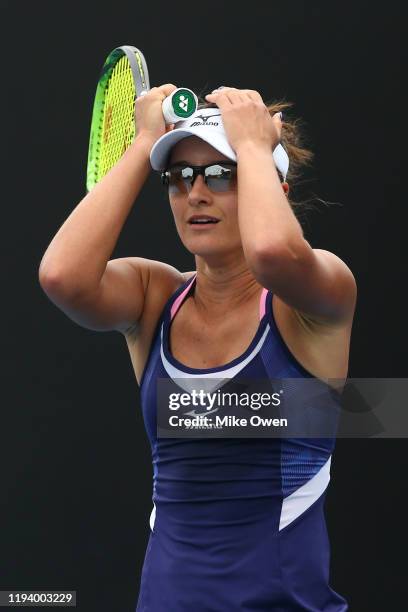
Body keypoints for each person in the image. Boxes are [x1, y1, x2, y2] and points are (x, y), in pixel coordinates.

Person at [39, 83, 356, 611]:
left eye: (221, 175)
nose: (196, 195)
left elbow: (274, 250)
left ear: (269, 183)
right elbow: (61, 276)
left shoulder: (312, 299)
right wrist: (143, 145)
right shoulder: (153, 295)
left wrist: (254, 146)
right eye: (180, 177)